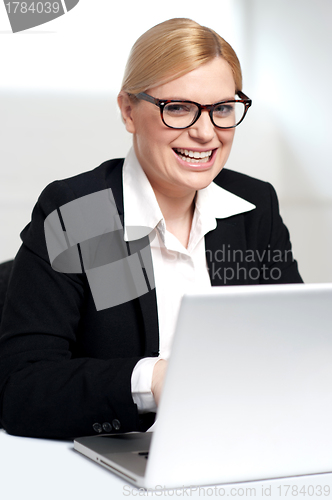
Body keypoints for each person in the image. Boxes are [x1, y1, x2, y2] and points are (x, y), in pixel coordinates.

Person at [0, 18, 302, 440]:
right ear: (128, 111)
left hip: (236, 443)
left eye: (222, 109)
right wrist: (155, 381)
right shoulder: (83, 214)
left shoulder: (254, 208)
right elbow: (22, 391)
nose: (204, 132)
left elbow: (293, 347)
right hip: (120, 458)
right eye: (177, 107)